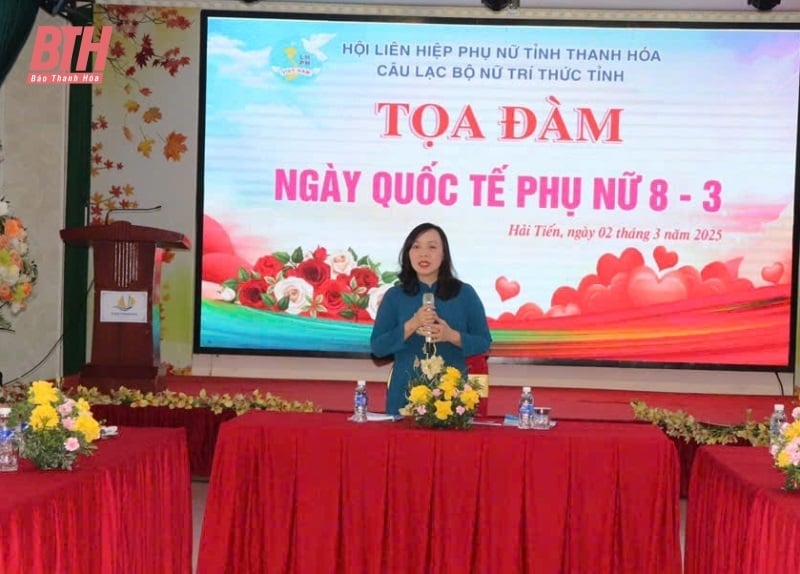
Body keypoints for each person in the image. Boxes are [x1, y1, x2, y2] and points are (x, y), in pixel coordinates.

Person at [370, 222, 492, 415]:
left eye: (432, 247)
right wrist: (412, 324)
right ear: (408, 254)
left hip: (451, 398)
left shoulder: (464, 293)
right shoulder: (395, 296)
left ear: (444, 254)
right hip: (405, 393)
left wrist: (451, 336)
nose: (423, 254)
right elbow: (378, 347)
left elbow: (484, 342)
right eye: (416, 247)